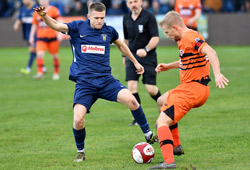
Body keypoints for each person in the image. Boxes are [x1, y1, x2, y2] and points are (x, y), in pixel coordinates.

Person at [33, 2, 158, 162]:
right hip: (85, 84)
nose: (100, 21)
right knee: (78, 119)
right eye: (97, 18)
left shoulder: (109, 31)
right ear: (89, 16)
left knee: (132, 101)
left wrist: (135, 62)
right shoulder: (78, 27)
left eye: (102, 18)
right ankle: (81, 151)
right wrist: (44, 16)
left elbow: (121, 45)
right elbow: (57, 25)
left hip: (106, 81)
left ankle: (148, 135)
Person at [148, 11, 229, 169]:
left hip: (193, 89)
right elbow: (188, 60)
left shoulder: (190, 37)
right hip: (191, 87)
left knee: (161, 122)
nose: (168, 36)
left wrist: (217, 74)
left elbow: (211, 52)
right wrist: (169, 66)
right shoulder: (186, 37)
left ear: (175, 27)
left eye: (167, 33)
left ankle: (169, 162)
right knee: (161, 100)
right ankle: (176, 146)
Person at [123, 0, 161, 126]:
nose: (133, 4)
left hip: (148, 57)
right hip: (132, 57)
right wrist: (124, 56)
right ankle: (138, 118)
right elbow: (126, 39)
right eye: (130, 2)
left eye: (135, 1)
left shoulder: (149, 16)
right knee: (131, 86)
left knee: (150, 89)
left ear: (141, 2)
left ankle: (163, 107)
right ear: (127, 4)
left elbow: (155, 37)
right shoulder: (126, 18)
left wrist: (146, 50)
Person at [30, 0, 63, 80]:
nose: (43, 1)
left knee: (55, 55)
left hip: (52, 37)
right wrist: (31, 36)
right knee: (39, 54)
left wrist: (60, 33)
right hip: (41, 37)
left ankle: (56, 73)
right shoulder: (36, 12)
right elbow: (34, 25)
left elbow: (60, 21)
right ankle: (40, 73)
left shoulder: (54, 10)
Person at [13, 0, 47, 75]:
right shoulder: (22, 9)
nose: (24, 1)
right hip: (27, 33)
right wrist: (16, 24)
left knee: (32, 50)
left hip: (36, 34)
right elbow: (19, 18)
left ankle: (28, 68)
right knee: (35, 51)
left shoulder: (36, 8)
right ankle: (43, 67)